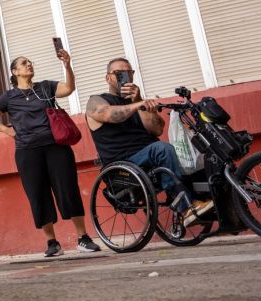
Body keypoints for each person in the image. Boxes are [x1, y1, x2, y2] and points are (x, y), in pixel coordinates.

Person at [0, 51, 102, 257]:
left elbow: (69, 88)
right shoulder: (9, 97)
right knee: (38, 195)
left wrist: (67, 65)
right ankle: (52, 242)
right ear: (15, 71)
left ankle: (83, 238)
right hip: (27, 151)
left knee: (68, 189)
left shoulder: (46, 87)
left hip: (56, 147)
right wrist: (8, 131)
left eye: (30, 61)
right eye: (23, 63)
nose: (29, 64)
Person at [85, 58, 213, 226]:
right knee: (161, 149)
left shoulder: (137, 101)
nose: (125, 77)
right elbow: (109, 115)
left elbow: (157, 129)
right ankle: (185, 208)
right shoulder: (96, 100)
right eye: (119, 74)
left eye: (128, 73)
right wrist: (137, 104)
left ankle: (218, 210)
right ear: (108, 78)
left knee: (198, 151)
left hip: (150, 154)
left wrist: (139, 102)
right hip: (124, 163)